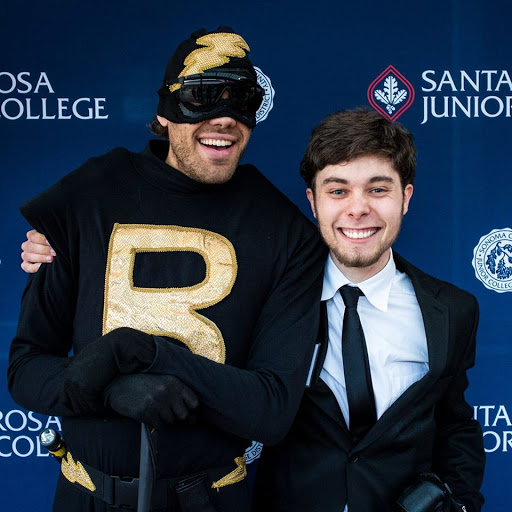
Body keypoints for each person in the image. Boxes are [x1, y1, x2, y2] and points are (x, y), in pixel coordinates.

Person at [8, 26, 325, 512]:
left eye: (241, 100)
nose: (224, 119)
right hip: (85, 498)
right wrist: (112, 391)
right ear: (164, 112)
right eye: (201, 98)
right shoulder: (88, 196)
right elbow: (27, 369)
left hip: (211, 501)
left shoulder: (287, 233)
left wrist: (142, 354)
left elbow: (272, 409)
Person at [252, 108, 485, 512]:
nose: (357, 209)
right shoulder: (269, 302)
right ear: (313, 201)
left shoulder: (453, 310)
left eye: (378, 189)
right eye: (338, 190)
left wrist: (462, 503)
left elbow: (455, 427)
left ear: (405, 197)